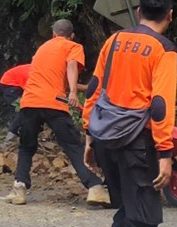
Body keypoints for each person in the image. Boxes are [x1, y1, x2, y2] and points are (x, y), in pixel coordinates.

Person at [82, 0, 177, 227]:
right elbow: (160, 104)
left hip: (106, 137)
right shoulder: (163, 49)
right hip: (138, 143)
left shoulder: (115, 40)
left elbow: (95, 88)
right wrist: (165, 153)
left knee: (127, 208)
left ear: (139, 12)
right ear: (169, 15)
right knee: (145, 220)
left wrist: (90, 135)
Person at [8, 20, 109, 207]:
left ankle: (19, 188)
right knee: (72, 145)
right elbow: (71, 66)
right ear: (71, 35)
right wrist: (72, 92)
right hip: (54, 103)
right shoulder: (73, 46)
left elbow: (53, 79)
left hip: (29, 102)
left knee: (26, 146)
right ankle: (95, 188)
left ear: (53, 34)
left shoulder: (41, 49)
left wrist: (77, 89)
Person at [0, 63, 30, 146]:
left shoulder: (40, 71)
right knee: (23, 109)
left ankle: (23, 134)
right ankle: (10, 138)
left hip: (17, 85)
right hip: (10, 85)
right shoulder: (36, 74)